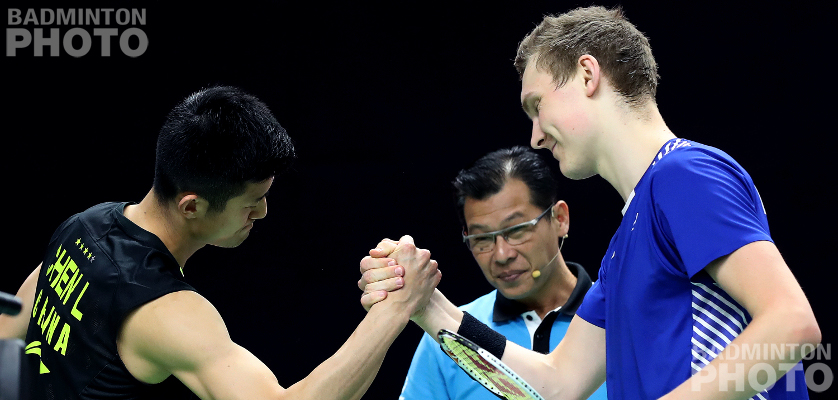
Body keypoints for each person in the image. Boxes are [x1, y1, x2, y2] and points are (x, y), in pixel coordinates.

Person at [359, 6, 820, 399]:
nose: (535, 136)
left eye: (537, 106)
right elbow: (557, 383)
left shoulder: (684, 174)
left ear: (587, 74)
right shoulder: (625, 241)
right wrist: (427, 306)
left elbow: (792, 324)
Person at [0, 85, 441, 400]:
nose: (262, 213)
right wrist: (396, 309)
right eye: (251, 203)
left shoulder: (84, 225)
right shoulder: (166, 311)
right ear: (192, 206)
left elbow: (8, 327)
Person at [397, 146, 606, 399]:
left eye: (517, 230)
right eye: (482, 238)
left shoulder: (621, 319)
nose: (502, 255)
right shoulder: (444, 338)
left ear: (560, 219)